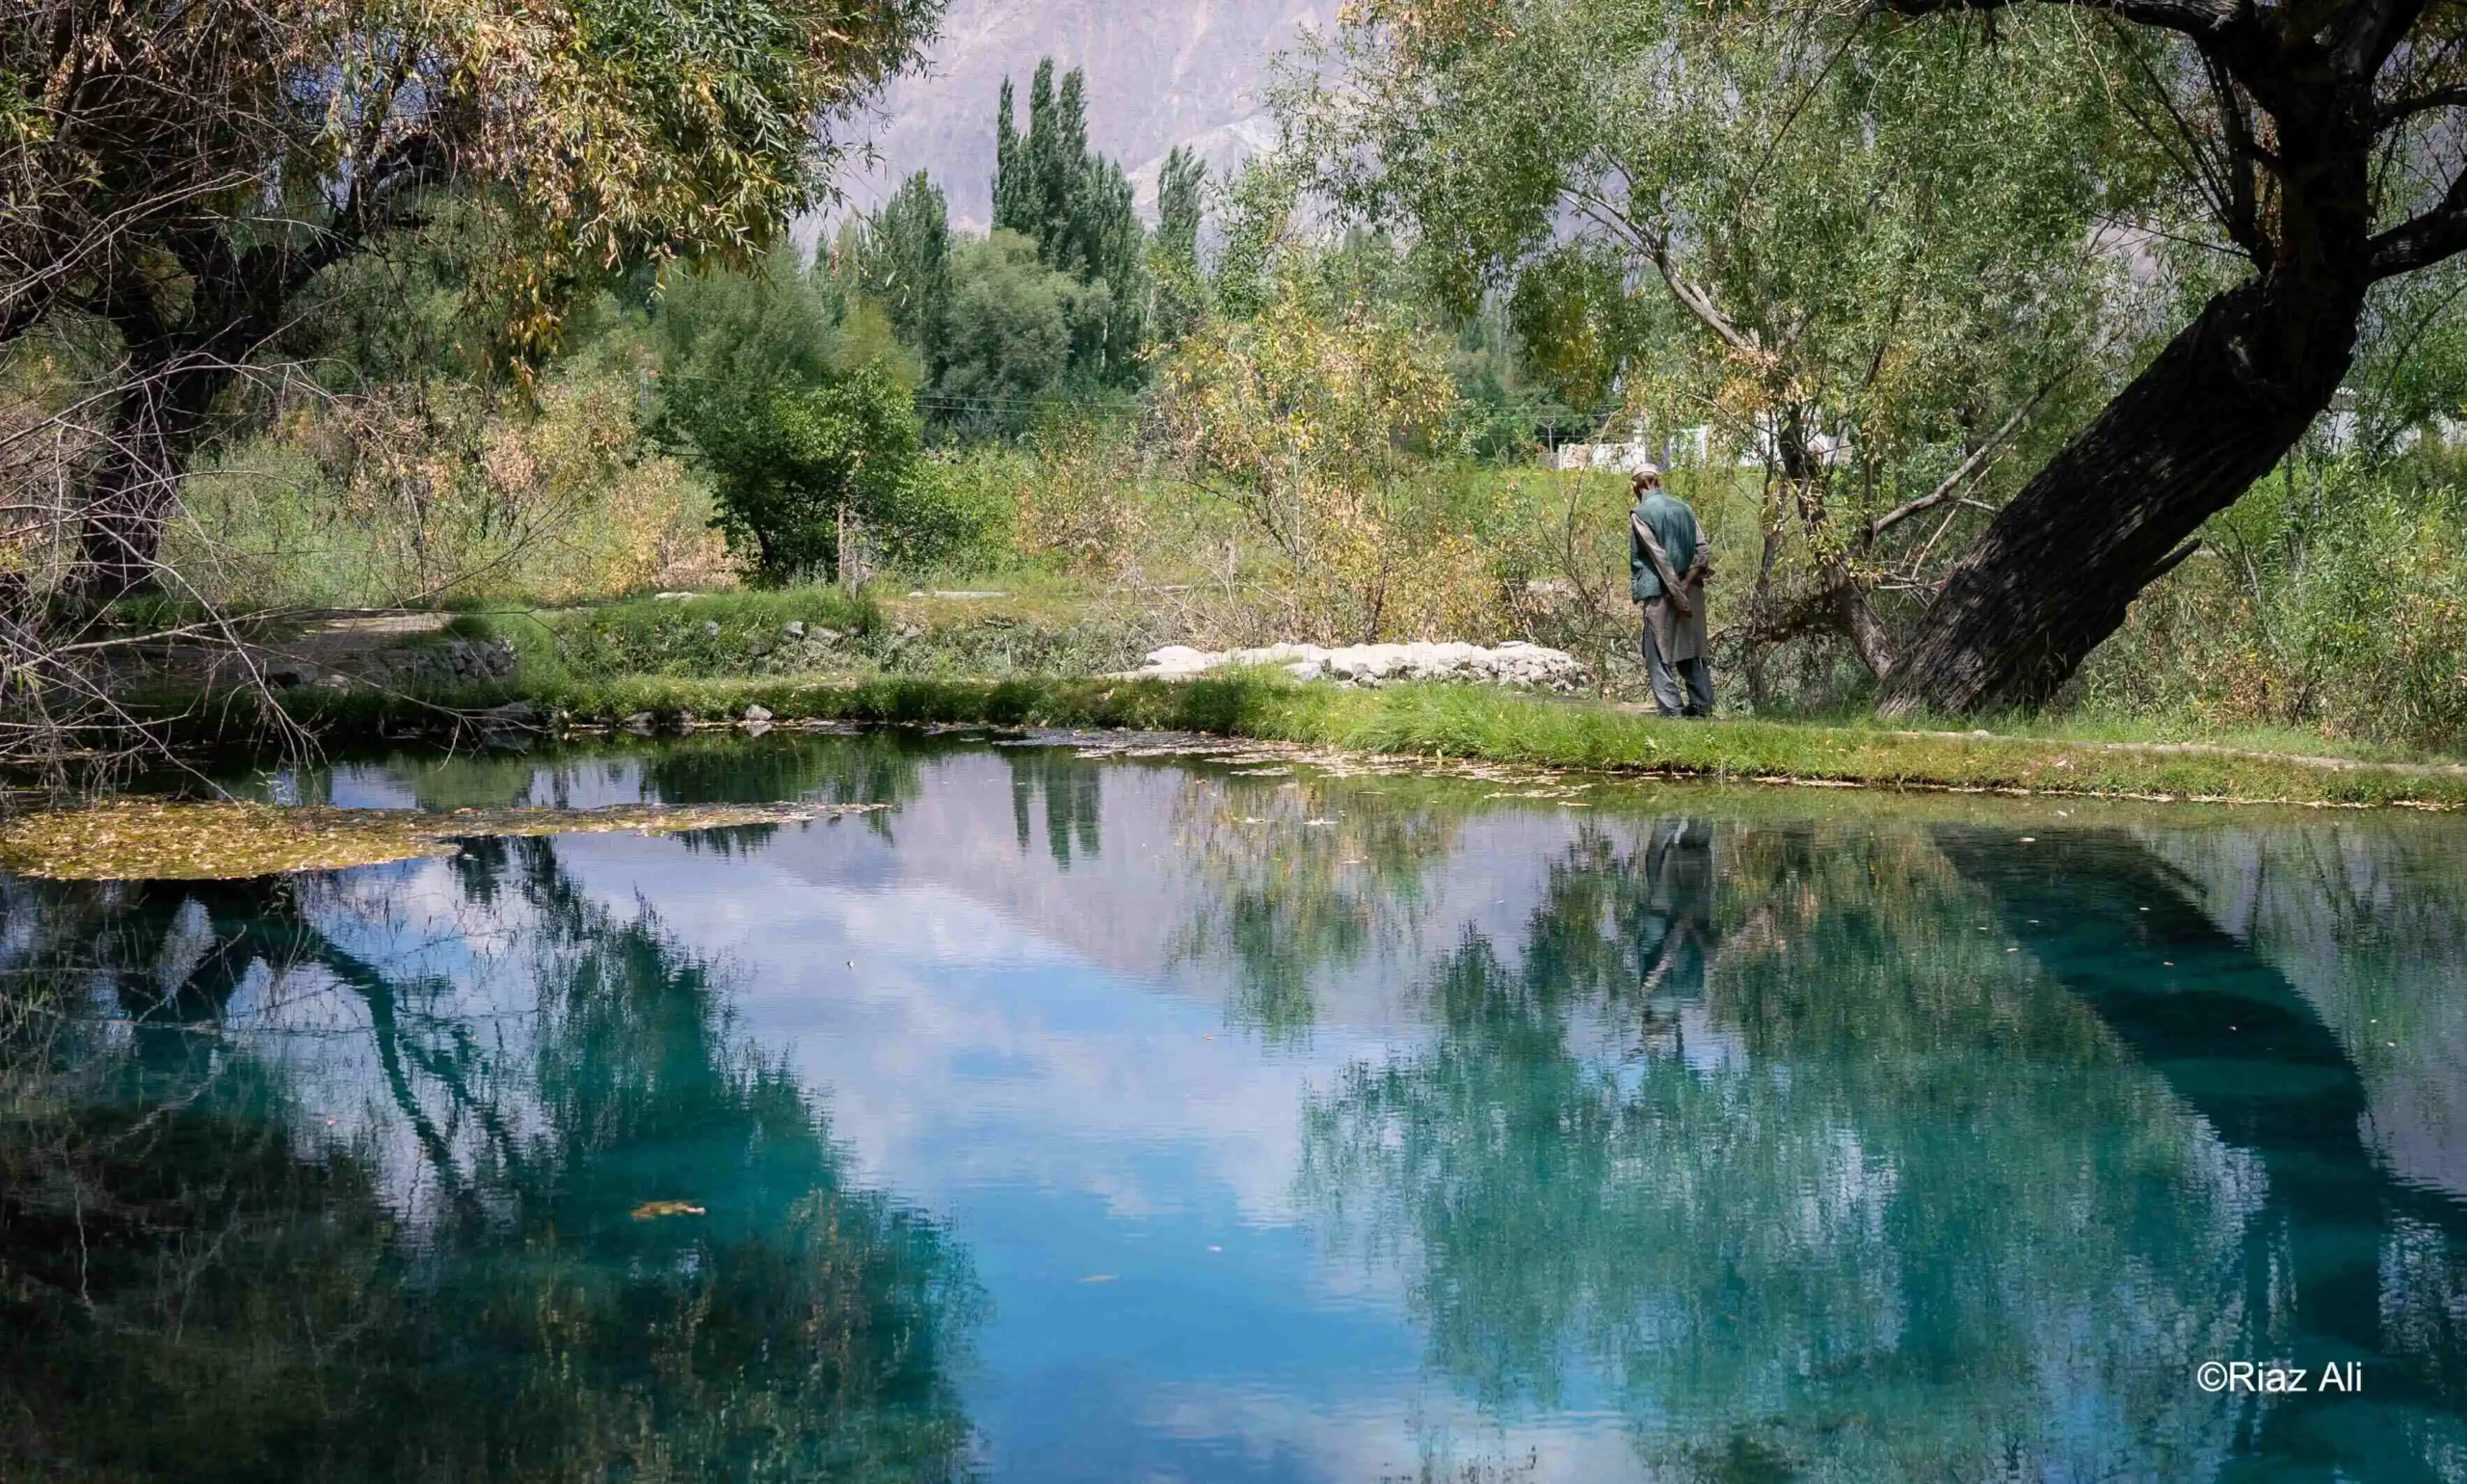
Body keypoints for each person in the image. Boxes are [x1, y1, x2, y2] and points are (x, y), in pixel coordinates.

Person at [1628, 465, 1713, 717]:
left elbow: (1659, 559)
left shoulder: (1640, 513)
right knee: (1691, 648)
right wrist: (1686, 586)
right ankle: (1702, 707)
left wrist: (1676, 594)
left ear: (1637, 486)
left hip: (1661, 594)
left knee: (1657, 652)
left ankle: (1672, 711)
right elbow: (1703, 550)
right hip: (1691, 590)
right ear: (1657, 481)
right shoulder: (1684, 508)